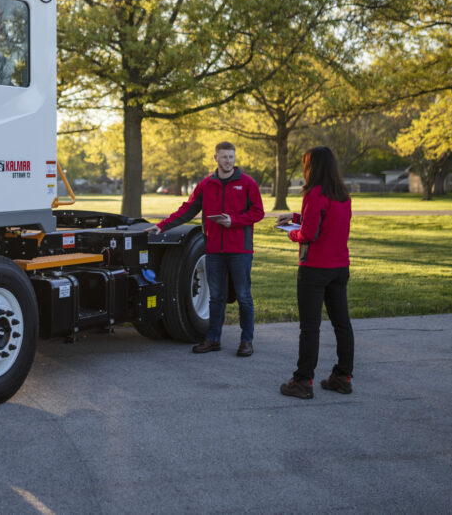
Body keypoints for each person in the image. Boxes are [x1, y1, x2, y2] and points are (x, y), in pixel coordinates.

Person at [147, 142, 265, 356]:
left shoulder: (248, 183)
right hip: (213, 251)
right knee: (216, 297)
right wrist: (163, 225)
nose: (228, 160)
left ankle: (247, 341)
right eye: (224, 157)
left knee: (244, 297)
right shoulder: (205, 185)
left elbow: (258, 212)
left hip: (240, 251)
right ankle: (212, 339)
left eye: (231, 156)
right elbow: (187, 209)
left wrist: (234, 220)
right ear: (216, 158)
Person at [278, 146, 354, 399]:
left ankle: (302, 380)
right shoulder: (342, 194)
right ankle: (343, 376)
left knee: (310, 327)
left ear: (313, 167)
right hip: (339, 267)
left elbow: (309, 233)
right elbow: (326, 219)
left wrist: (291, 232)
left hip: (314, 269)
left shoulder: (314, 192)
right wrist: (297, 216)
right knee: (341, 324)